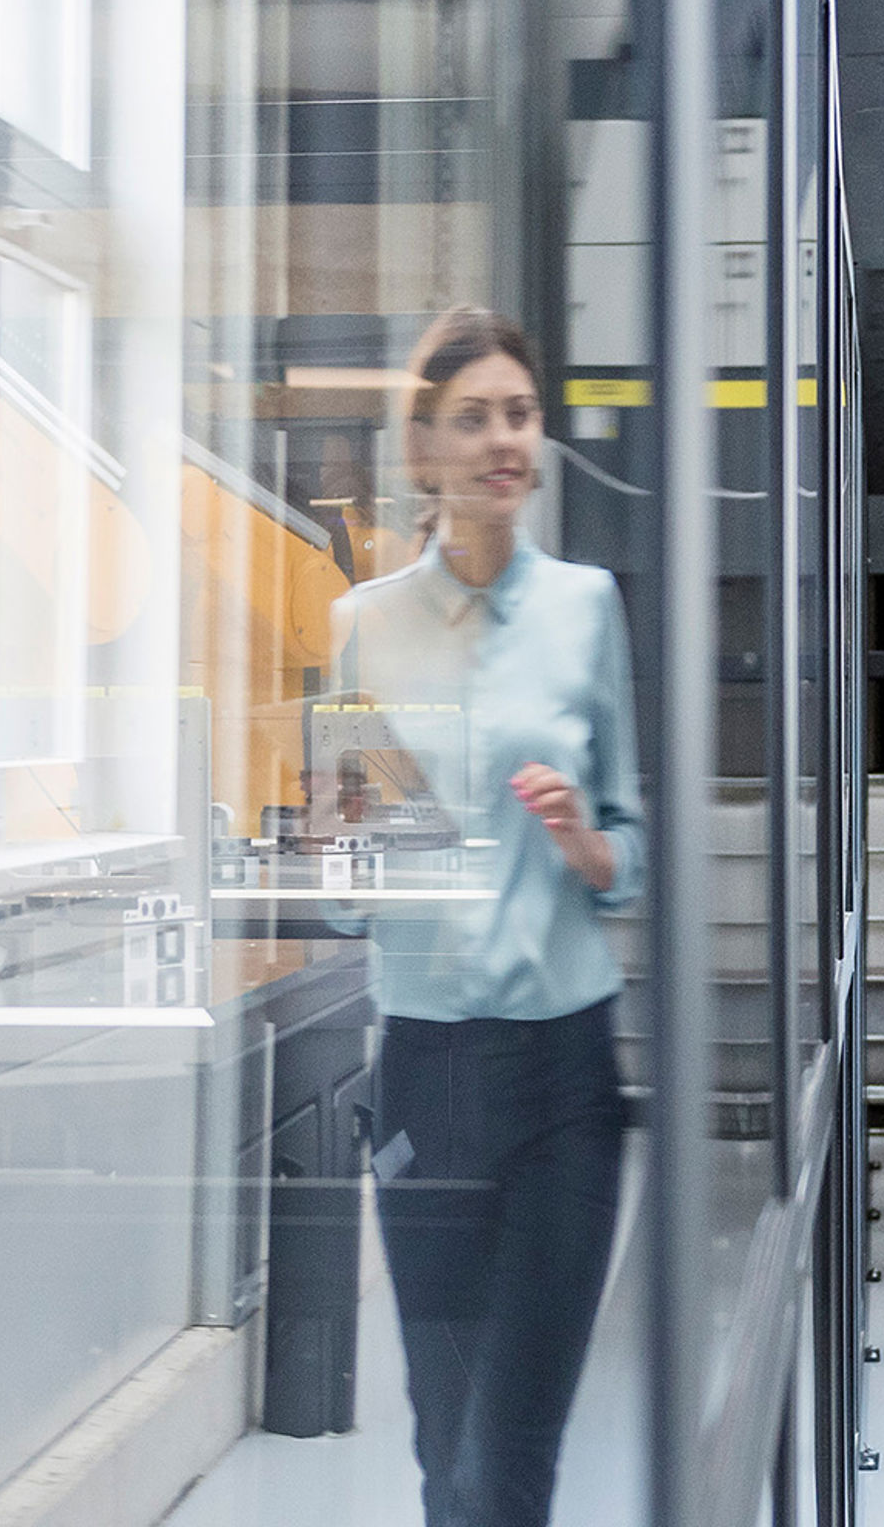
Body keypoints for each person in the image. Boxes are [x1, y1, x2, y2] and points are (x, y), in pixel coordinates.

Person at [330, 304, 639, 1527]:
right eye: (474, 420)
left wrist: (584, 842)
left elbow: (634, 852)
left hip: (566, 1077)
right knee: (444, 1446)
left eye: (519, 414)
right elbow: (356, 885)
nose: (505, 440)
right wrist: (345, 849)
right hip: (426, 1074)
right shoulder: (359, 627)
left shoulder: (589, 608)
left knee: (513, 1457)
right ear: (423, 452)